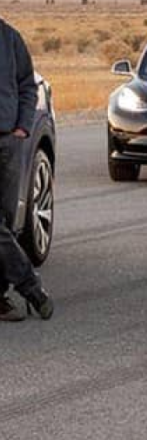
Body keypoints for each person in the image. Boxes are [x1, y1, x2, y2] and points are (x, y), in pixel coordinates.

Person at [0, 18, 54, 321]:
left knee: (6, 219)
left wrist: (21, 127)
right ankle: (31, 287)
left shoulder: (10, 38)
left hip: (8, 139)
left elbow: (27, 85)